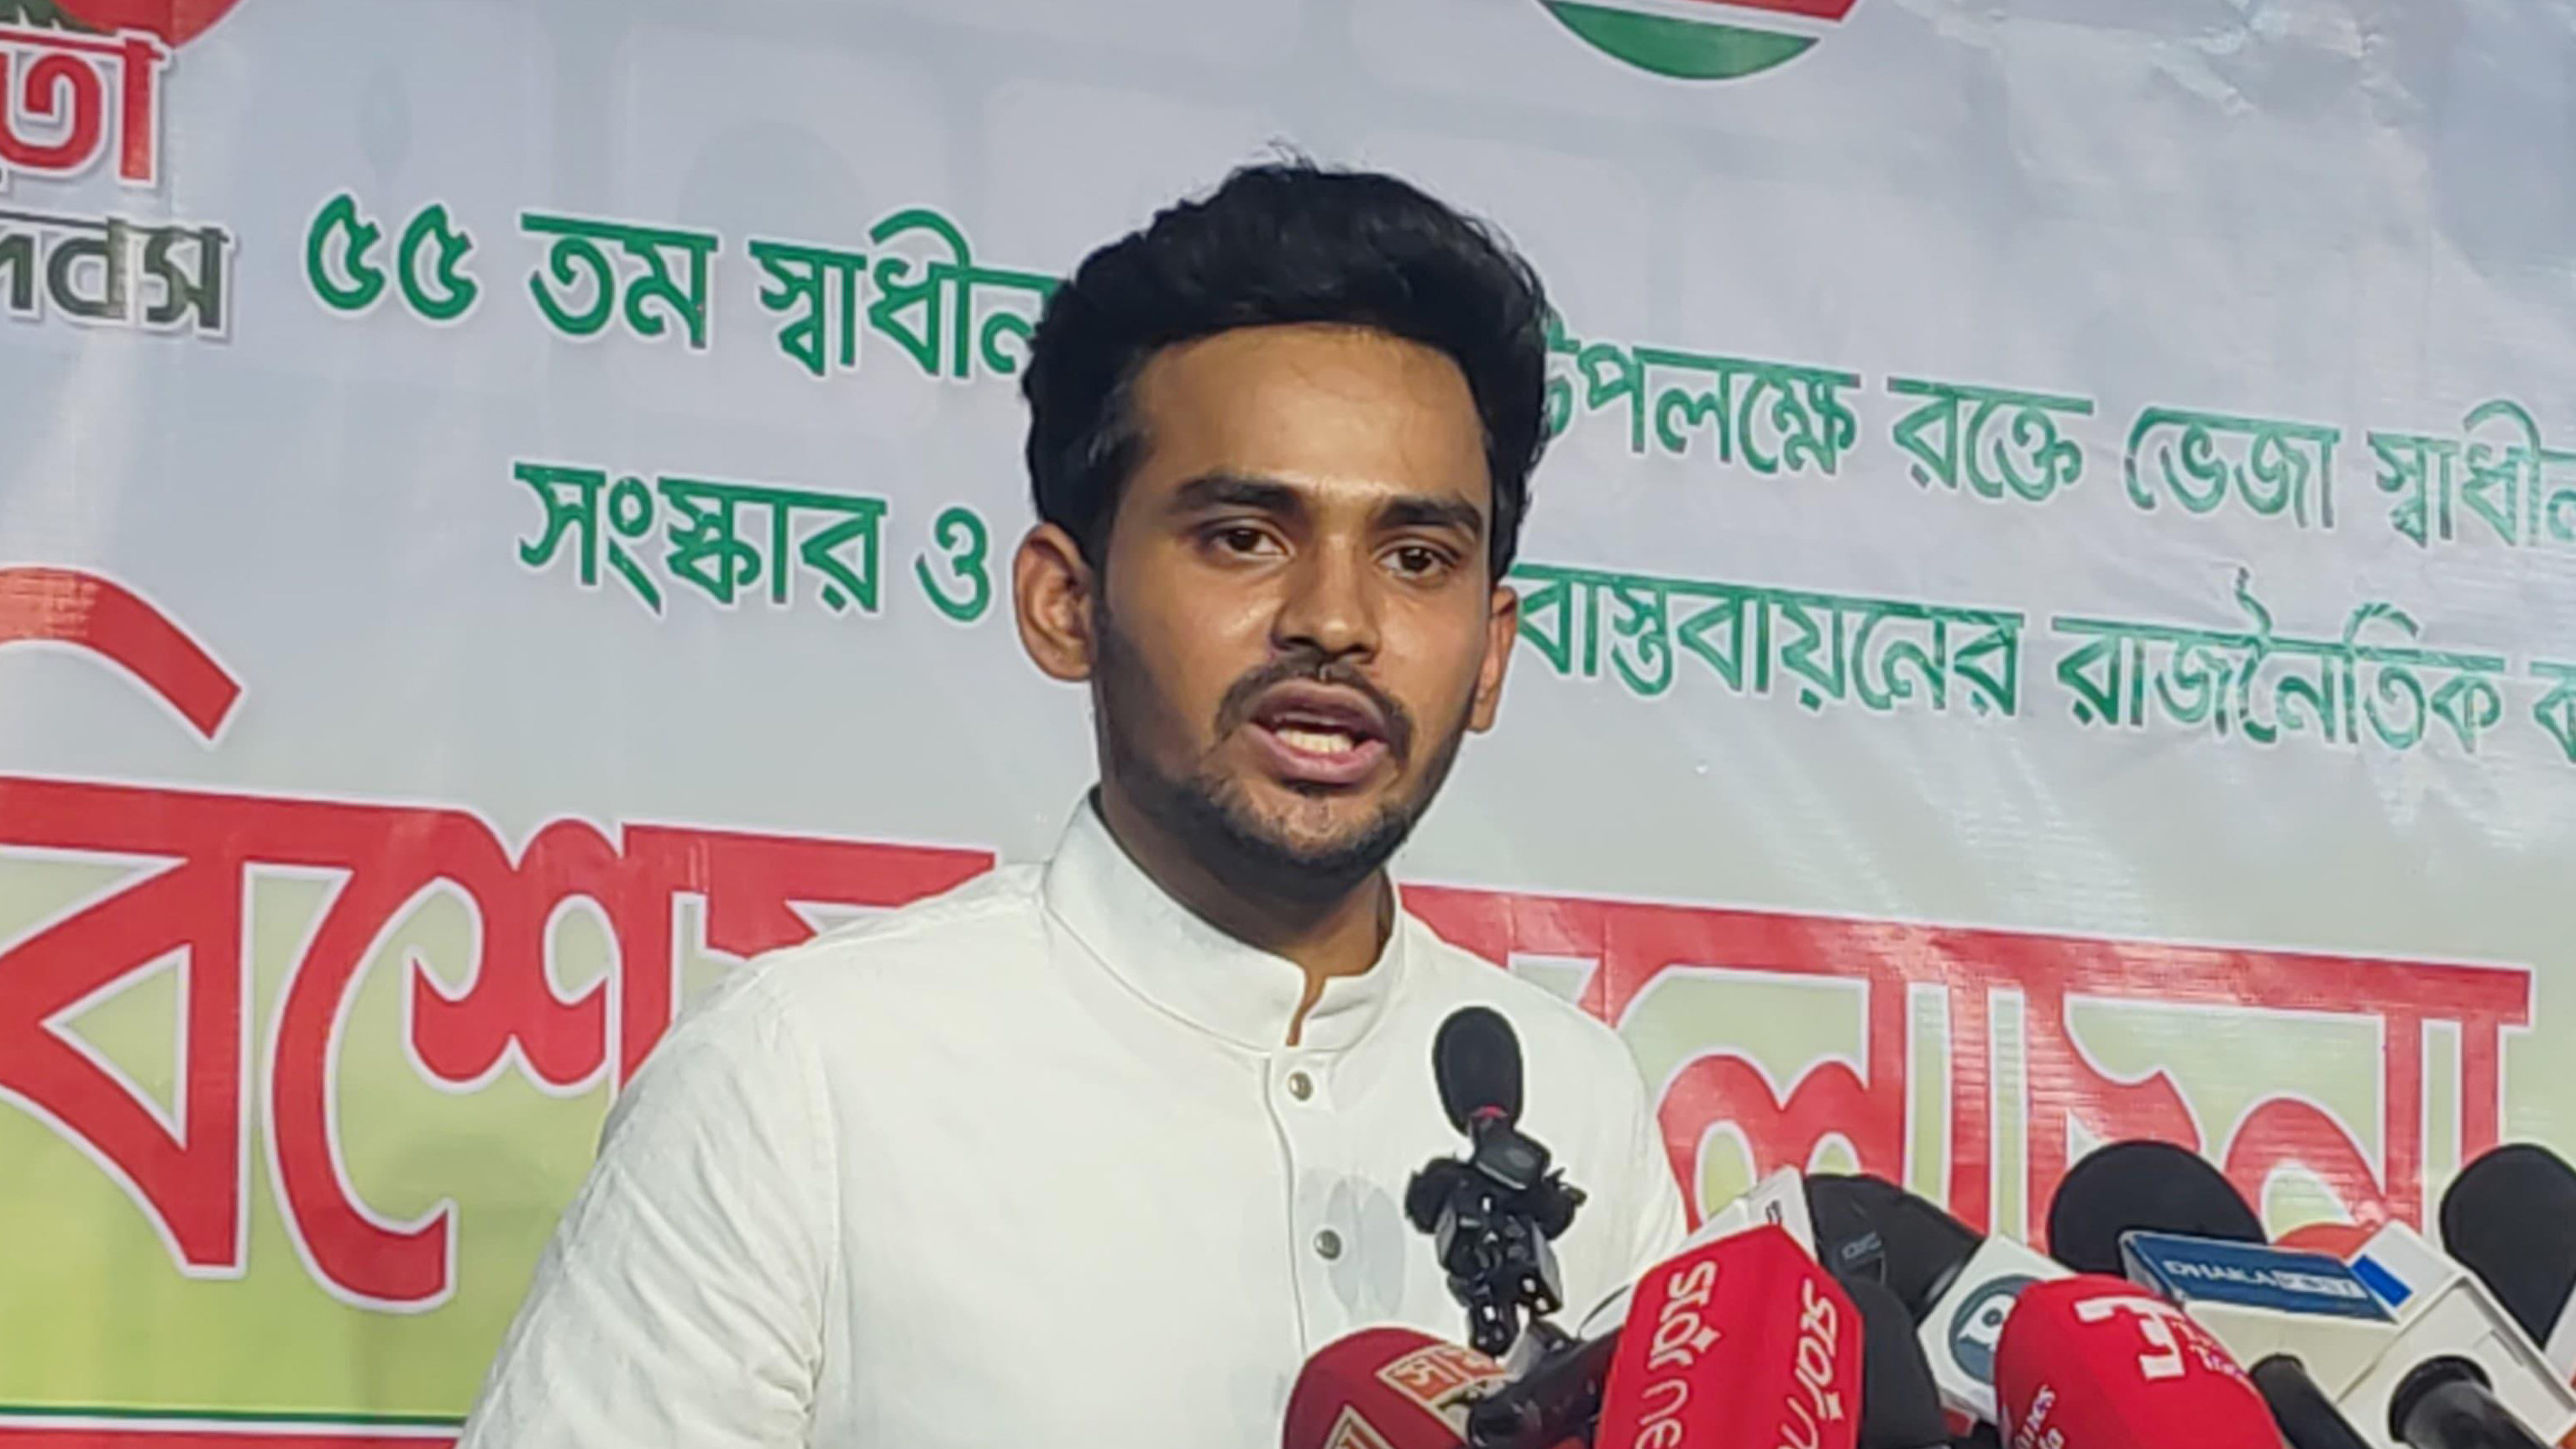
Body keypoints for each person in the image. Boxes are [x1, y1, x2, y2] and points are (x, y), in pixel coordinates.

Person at [458, 160, 1687, 1448]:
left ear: (1490, 654)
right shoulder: (806, 1078)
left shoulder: (1574, 1094)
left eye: (1417, 557)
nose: (1335, 619)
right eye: (1244, 536)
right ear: (1065, 602)